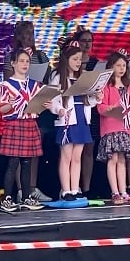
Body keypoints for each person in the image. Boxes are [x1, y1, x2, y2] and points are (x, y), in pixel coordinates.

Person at [5, 21, 52, 202]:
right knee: (17, 154)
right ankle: (19, 189)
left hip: (36, 109)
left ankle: (31, 187)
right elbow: (8, 80)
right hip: (18, 110)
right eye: (24, 35)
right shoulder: (12, 56)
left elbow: (48, 78)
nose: (28, 38)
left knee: (33, 151)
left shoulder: (40, 55)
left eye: (31, 34)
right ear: (17, 36)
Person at [49, 41, 102, 201]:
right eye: (75, 59)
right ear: (67, 59)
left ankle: (75, 188)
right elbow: (51, 100)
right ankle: (65, 190)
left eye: (80, 59)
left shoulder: (83, 77)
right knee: (66, 156)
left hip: (81, 119)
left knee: (77, 157)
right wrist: (59, 110)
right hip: (67, 120)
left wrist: (97, 98)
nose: (78, 62)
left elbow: (87, 101)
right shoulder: (57, 77)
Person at [0, 49, 47, 211]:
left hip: (29, 123)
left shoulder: (34, 85)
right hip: (15, 124)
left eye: (27, 61)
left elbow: (39, 106)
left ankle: (26, 196)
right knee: (13, 163)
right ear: (13, 63)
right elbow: (3, 109)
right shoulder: (6, 85)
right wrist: (11, 103)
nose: (25, 64)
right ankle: (7, 198)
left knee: (27, 163)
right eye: (21, 61)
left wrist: (44, 105)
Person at [96, 50, 130, 204]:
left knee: (122, 159)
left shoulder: (127, 86)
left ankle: (123, 191)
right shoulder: (106, 85)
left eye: (124, 66)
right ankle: (114, 192)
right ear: (111, 66)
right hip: (110, 127)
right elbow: (100, 108)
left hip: (125, 127)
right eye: (118, 65)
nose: (121, 68)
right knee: (113, 159)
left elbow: (129, 107)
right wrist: (111, 107)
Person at [70, 27, 102, 196]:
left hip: (91, 109)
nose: (87, 44)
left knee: (89, 148)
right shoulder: (71, 62)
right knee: (73, 149)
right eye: (84, 41)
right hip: (73, 109)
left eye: (90, 41)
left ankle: (87, 187)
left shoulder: (96, 63)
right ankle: (72, 186)